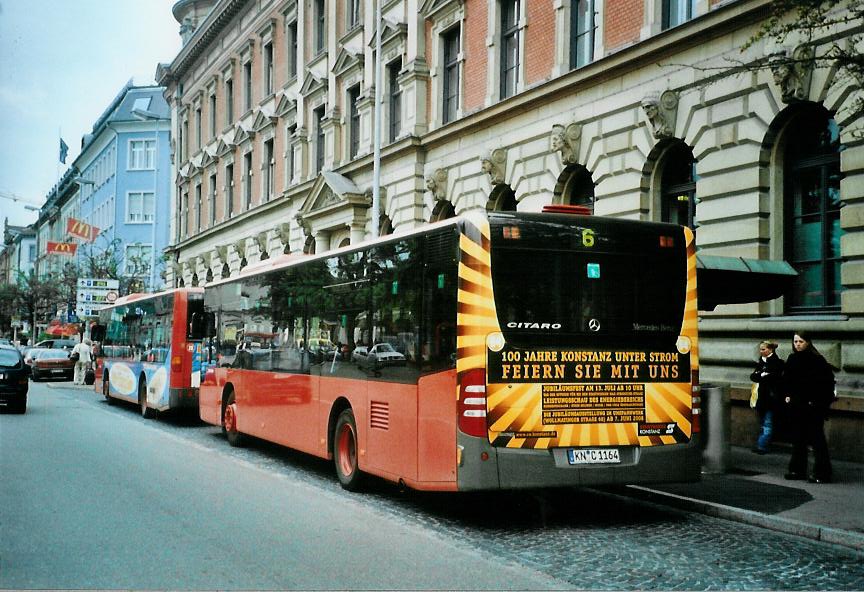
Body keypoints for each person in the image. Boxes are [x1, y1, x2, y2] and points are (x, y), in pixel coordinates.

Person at [782, 332, 835, 483]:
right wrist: (787, 395)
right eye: (795, 341)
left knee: (817, 440)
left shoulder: (817, 360)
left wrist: (818, 402)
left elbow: (826, 384)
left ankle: (822, 473)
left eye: (801, 341)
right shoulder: (792, 359)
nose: (798, 344)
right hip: (797, 406)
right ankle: (797, 470)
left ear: (808, 342)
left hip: (813, 407)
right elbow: (786, 380)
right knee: (798, 439)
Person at [749, 340, 784, 454]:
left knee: (767, 423)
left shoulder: (777, 363)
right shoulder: (761, 362)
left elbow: (772, 378)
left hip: (770, 399)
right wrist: (762, 375)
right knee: (764, 422)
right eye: (760, 349)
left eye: (763, 349)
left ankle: (762, 445)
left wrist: (761, 376)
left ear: (770, 349)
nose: (761, 351)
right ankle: (762, 445)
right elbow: (753, 376)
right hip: (761, 398)